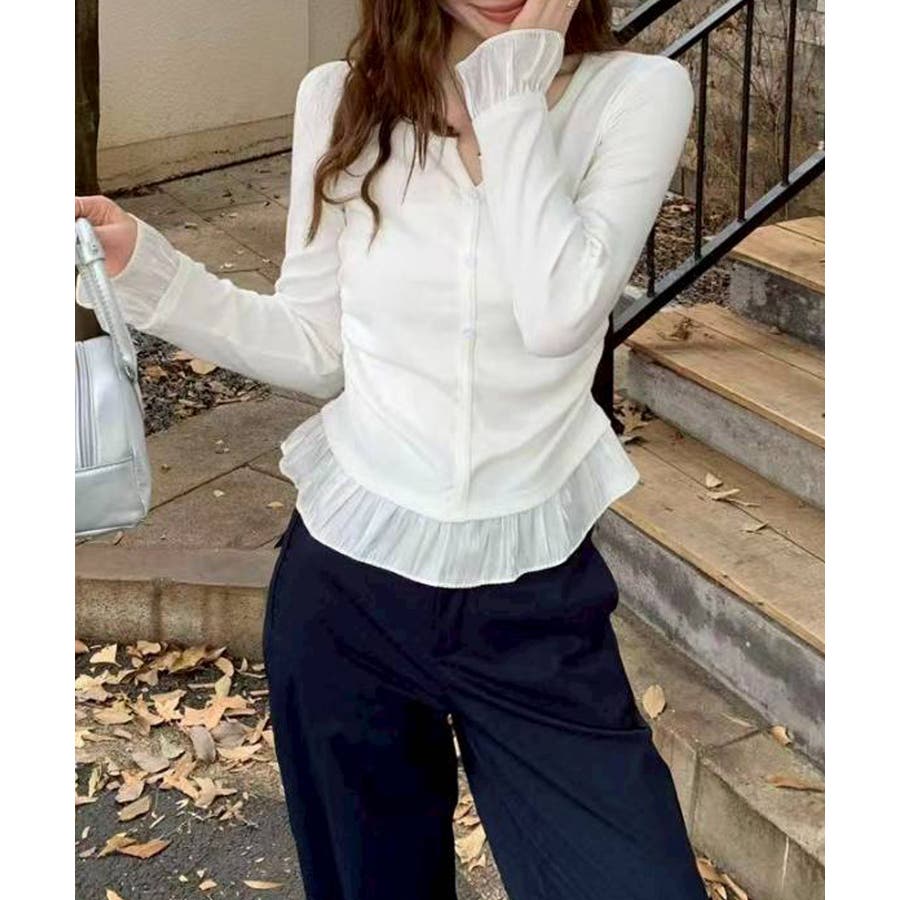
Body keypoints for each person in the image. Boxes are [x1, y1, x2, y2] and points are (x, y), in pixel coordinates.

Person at [76, 1, 706, 897]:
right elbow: (315, 345)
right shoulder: (341, 99)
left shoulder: (636, 93)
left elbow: (560, 313)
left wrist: (510, 88)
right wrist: (150, 271)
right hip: (345, 592)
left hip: (531, 606)